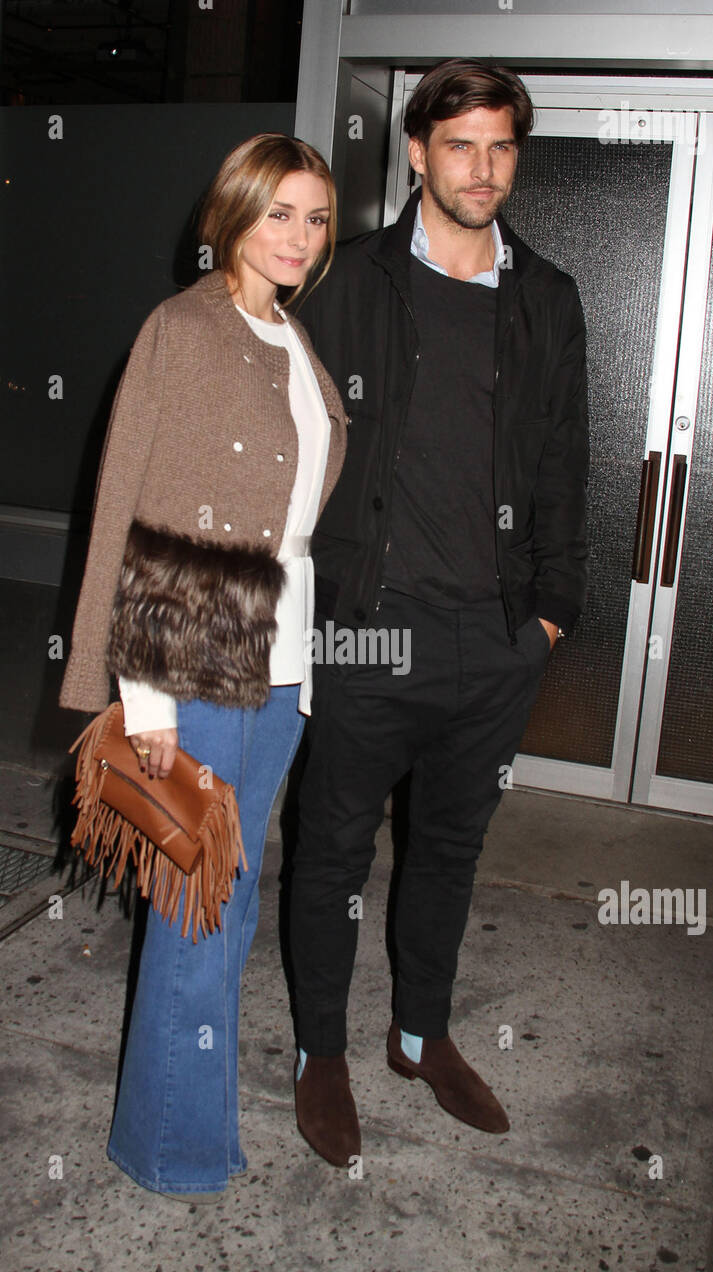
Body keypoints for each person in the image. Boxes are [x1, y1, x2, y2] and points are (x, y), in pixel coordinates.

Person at [289, 60, 589, 1166]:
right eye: (457, 144)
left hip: (493, 634)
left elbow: (564, 460)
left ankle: (419, 1034)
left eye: (500, 145)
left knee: (447, 853)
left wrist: (548, 611)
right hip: (368, 622)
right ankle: (322, 1050)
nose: (481, 167)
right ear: (415, 152)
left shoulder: (545, 297)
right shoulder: (349, 278)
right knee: (329, 854)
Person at [59, 133, 347, 1200]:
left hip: (277, 666)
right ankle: (171, 1147)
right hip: (194, 658)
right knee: (197, 916)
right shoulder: (182, 329)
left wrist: (304, 668)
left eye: (316, 219)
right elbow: (128, 509)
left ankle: (188, 1121)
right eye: (279, 213)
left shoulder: (288, 335)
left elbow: (294, 526)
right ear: (230, 212)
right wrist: (146, 700)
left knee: (226, 911)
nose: (300, 238)